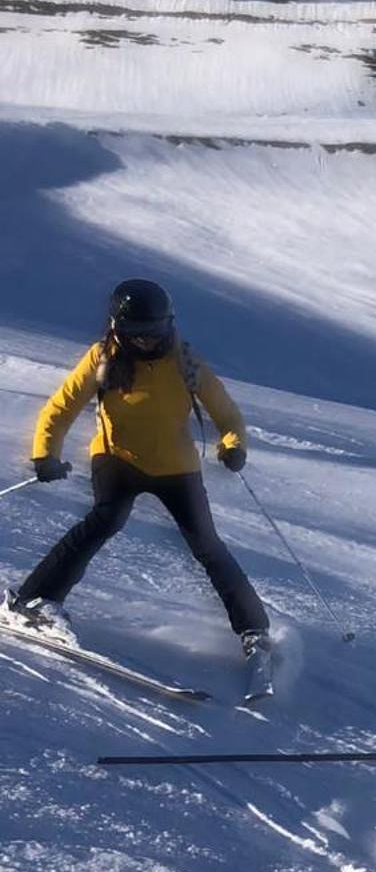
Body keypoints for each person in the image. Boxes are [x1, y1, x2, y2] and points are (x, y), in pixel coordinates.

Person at [2, 279, 270, 660]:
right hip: (118, 459)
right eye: (135, 332)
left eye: (154, 331)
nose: (145, 340)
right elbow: (60, 409)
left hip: (176, 466)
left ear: (168, 324)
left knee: (207, 545)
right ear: (117, 328)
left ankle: (254, 630)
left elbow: (227, 415)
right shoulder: (102, 358)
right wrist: (45, 454)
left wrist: (233, 446)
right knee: (104, 520)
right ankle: (34, 602)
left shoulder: (185, 362)